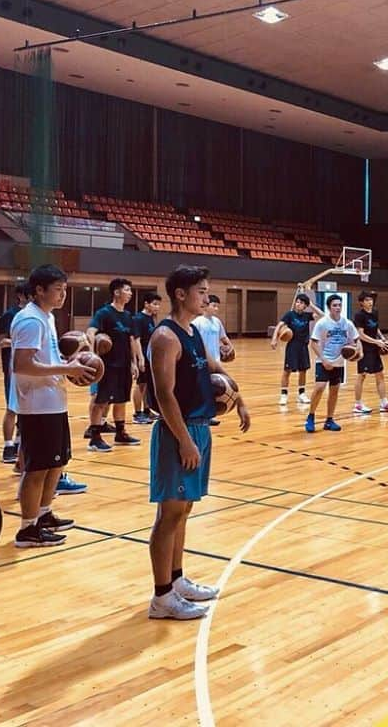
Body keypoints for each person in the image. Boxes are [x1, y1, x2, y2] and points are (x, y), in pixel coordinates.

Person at [147, 265, 250, 619]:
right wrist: (185, 441)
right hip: (179, 431)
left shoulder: (191, 332)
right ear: (180, 294)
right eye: (201, 291)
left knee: (184, 510)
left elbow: (215, 368)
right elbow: (163, 395)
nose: (206, 297)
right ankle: (162, 597)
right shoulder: (165, 337)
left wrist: (241, 400)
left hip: (200, 428)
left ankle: (176, 580)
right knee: (169, 513)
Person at [10, 265, 96, 548]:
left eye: (64, 289)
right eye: (58, 289)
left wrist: (69, 365)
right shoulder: (30, 320)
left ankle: (43, 516)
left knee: (55, 465)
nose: (63, 294)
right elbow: (22, 365)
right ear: (39, 290)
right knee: (37, 469)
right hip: (36, 406)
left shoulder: (46, 317)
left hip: (53, 402)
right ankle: (27, 529)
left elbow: (46, 359)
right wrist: (65, 368)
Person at [86, 277, 141, 451]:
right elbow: (91, 331)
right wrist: (92, 353)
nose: (130, 293)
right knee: (101, 401)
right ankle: (95, 438)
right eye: (127, 290)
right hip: (107, 366)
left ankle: (120, 433)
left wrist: (134, 362)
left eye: (130, 291)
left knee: (121, 400)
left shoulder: (128, 316)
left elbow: (131, 339)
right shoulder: (104, 313)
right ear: (116, 292)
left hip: (124, 365)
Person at [306, 295, 358, 432]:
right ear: (329, 307)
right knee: (319, 388)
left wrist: (359, 353)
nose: (338, 307)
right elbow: (313, 343)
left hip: (339, 363)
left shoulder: (347, 323)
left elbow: (356, 340)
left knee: (334, 391)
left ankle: (329, 420)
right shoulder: (322, 323)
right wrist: (323, 359)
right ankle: (311, 416)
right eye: (335, 305)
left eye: (339, 305)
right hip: (323, 361)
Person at [271, 294, 321, 408]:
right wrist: (274, 338)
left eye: (302, 303)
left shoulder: (307, 316)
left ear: (305, 306)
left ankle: (302, 393)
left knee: (303, 371)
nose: (298, 304)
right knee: (287, 371)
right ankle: (284, 394)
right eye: (297, 302)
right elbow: (279, 326)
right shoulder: (290, 315)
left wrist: (312, 305)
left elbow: (322, 315)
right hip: (292, 346)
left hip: (303, 346)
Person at [353, 290, 388, 413]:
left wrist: (382, 338)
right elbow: (360, 334)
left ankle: (384, 402)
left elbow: (376, 327)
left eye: (371, 300)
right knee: (362, 375)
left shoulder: (375, 312)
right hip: (364, 349)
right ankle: (357, 405)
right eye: (367, 300)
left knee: (380, 374)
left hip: (374, 349)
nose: (370, 302)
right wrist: (376, 341)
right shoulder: (359, 315)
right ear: (361, 303)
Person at [0, 281, 28, 464]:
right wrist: (20, 341)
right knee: (12, 407)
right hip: (12, 367)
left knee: (26, 409)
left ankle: (18, 441)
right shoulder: (10, 315)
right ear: (21, 296)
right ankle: (8, 446)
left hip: (29, 368)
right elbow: (2, 341)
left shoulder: (37, 315)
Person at [193, 294, 232, 425]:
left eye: (217, 307)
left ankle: (209, 415)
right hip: (202, 362)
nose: (216, 309)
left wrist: (230, 347)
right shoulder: (197, 322)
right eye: (214, 306)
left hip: (215, 361)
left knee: (212, 389)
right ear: (206, 306)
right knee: (201, 389)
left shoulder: (217, 322)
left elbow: (224, 338)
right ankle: (199, 414)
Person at [131, 292, 162, 425]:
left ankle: (147, 410)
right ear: (146, 304)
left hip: (150, 356)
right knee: (140, 384)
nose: (157, 307)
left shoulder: (150, 318)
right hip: (142, 355)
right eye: (154, 304)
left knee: (148, 385)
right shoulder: (138, 319)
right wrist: (140, 358)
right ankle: (138, 414)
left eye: (158, 305)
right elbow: (136, 339)